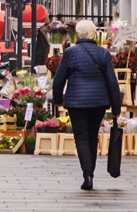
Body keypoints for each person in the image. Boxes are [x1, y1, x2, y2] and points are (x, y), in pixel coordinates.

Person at [50, 20, 123, 191]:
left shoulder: (70, 53)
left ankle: (87, 174)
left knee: (81, 137)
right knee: (92, 136)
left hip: (76, 102)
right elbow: (112, 82)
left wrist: (58, 99)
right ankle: (91, 172)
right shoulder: (103, 54)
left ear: (78, 34)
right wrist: (116, 107)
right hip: (98, 102)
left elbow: (59, 79)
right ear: (94, 35)